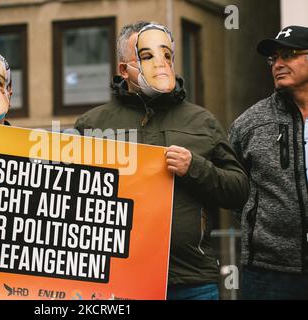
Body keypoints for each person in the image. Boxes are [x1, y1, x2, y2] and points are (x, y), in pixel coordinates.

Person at [75, 21, 249, 300]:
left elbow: (239, 191)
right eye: (146, 56)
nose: (161, 63)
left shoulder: (203, 121)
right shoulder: (92, 125)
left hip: (192, 281)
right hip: (120, 282)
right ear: (124, 70)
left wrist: (195, 168)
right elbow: (69, 200)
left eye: (166, 55)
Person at [229, 25, 308, 300]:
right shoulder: (249, 124)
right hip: (268, 273)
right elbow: (233, 188)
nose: (278, 64)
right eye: (274, 58)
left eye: (289, 54)